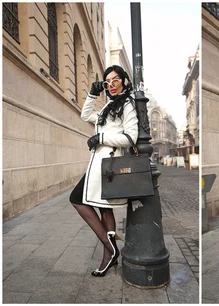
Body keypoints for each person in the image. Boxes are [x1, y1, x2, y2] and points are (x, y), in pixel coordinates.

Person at [70, 65, 138, 277]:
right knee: (103, 208)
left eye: (116, 80)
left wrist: (101, 138)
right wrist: (92, 93)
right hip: (99, 163)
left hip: (108, 164)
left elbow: (130, 138)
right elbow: (85, 115)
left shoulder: (127, 104)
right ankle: (108, 256)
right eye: (108, 82)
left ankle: (111, 249)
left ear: (124, 81)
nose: (112, 85)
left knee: (77, 199)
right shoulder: (110, 105)